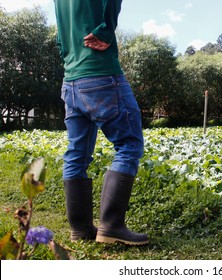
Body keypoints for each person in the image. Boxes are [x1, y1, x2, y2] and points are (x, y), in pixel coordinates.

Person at [53, 0, 148, 246]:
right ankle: (112, 226)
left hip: (71, 79)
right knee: (129, 144)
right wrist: (105, 30)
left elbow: (61, 37)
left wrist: (69, 56)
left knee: (76, 153)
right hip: (100, 73)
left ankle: (81, 229)